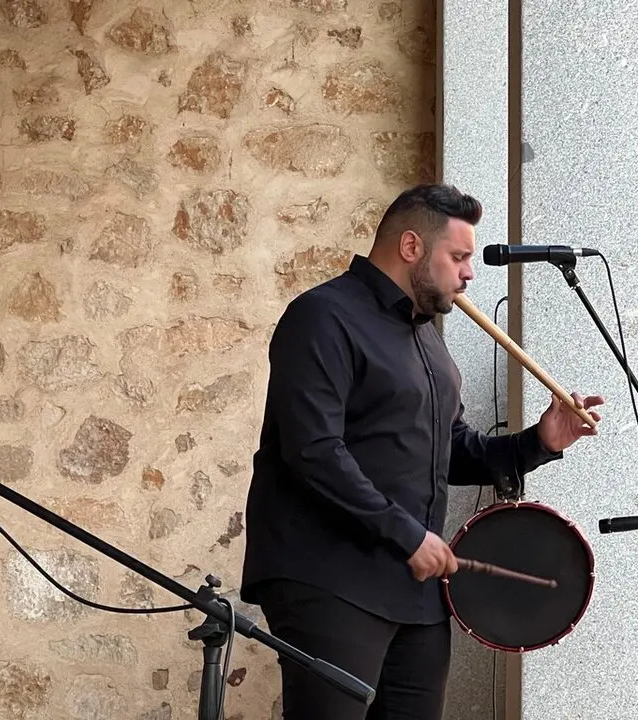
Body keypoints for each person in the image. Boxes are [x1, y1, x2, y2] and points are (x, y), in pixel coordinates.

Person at [239, 184, 603, 720]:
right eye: (458, 257)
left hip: (415, 589)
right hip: (330, 578)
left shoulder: (428, 338)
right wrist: (408, 535)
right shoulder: (322, 317)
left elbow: (448, 450)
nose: (469, 274)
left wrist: (540, 442)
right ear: (411, 247)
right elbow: (312, 449)